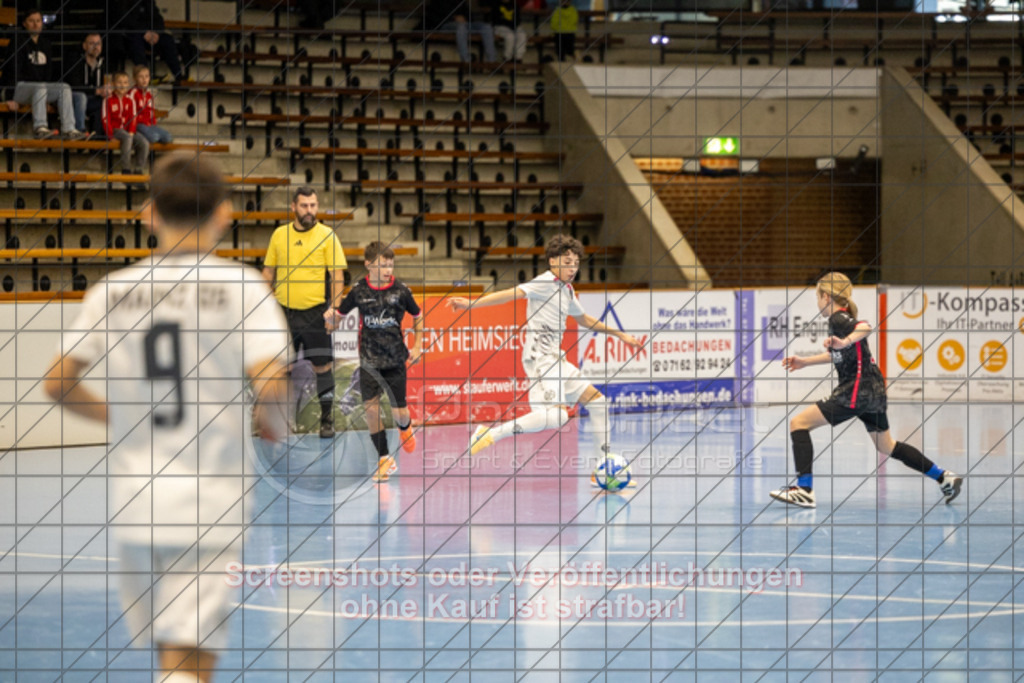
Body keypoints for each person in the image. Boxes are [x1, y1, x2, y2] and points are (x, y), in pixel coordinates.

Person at [43, 152, 291, 682]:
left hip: (137, 504)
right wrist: (273, 421)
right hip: (209, 501)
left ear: (148, 213)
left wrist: (120, 417)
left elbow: (58, 382)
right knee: (190, 664)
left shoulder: (111, 292)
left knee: (173, 655)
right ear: (223, 213)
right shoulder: (243, 288)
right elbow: (271, 381)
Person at [449, 235, 643, 474]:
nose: (572, 268)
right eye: (567, 262)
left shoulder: (567, 290)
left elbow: (584, 319)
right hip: (541, 359)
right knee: (556, 417)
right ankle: (489, 434)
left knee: (597, 402)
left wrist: (619, 334)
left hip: (557, 359)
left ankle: (602, 467)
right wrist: (472, 304)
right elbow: (510, 293)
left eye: (576, 263)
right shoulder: (545, 282)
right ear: (553, 261)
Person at [770, 272, 964, 509]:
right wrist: (805, 362)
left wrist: (846, 340)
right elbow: (839, 354)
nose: (818, 303)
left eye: (818, 297)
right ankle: (944, 477)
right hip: (873, 390)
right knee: (886, 445)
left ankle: (804, 490)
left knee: (798, 423)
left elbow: (865, 326)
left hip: (856, 389)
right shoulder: (841, 321)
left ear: (826, 296)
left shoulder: (839, 319)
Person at [325, 241, 422, 483]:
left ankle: (405, 428)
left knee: (400, 413)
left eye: (390, 265)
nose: (388, 269)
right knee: (371, 409)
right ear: (368, 265)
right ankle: (384, 459)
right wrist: (330, 317)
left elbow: (418, 315)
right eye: (382, 265)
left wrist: (418, 345)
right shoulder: (358, 291)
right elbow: (336, 321)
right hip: (369, 360)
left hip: (395, 360)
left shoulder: (401, 291)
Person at [263, 187, 347, 439]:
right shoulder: (279, 235)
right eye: (304, 206)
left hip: (315, 314)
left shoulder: (327, 235)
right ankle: (280, 421)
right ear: (293, 207)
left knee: (323, 367)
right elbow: (269, 273)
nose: (309, 210)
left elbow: (337, 276)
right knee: (282, 370)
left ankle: (327, 419)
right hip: (285, 313)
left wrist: (334, 309)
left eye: (313, 205)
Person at [0, 9, 86, 139]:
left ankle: (69, 129)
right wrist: (10, 97)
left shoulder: (45, 44)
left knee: (64, 88)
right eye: (31, 21)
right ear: (24, 24)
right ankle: (40, 128)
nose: (35, 24)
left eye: (38, 21)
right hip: (17, 88)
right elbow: (11, 70)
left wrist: (46, 99)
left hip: (38, 90)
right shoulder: (17, 41)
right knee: (40, 87)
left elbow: (48, 74)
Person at [113, 0, 185, 84]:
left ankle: (178, 76)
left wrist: (156, 33)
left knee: (167, 39)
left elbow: (159, 20)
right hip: (131, 36)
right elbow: (126, 21)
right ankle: (145, 77)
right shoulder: (125, 2)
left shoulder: (148, 2)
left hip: (149, 35)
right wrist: (144, 32)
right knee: (136, 40)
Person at [424, 0, 498, 64]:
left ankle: (492, 61)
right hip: (447, 25)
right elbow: (434, 16)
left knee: (486, 27)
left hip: (465, 24)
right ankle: (466, 60)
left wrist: (465, 19)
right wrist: (454, 18)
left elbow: (469, 15)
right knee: (461, 27)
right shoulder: (437, 1)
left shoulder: (461, 2)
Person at [103, 71, 150, 173]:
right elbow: (105, 119)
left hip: (128, 130)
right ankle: (126, 169)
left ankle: (139, 170)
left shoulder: (130, 100)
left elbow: (133, 118)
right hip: (115, 130)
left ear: (128, 84)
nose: (122, 85)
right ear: (113, 84)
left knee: (144, 143)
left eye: (125, 83)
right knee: (127, 138)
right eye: (119, 82)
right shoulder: (108, 100)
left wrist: (132, 131)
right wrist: (110, 135)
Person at [66, 32, 110, 138]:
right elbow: (75, 86)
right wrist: (96, 91)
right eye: (92, 43)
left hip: (93, 100)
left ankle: (98, 138)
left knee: (105, 102)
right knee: (82, 97)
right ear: (84, 46)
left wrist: (107, 89)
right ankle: (79, 131)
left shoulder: (102, 63)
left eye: (98, 44)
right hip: (73, 99)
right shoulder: (75, 61)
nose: (96, 47)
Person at [130, 65, 173, 143]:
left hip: (149, 125)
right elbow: (130, 114)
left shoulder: (149, 95)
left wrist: (154, 125)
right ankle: (141, 137)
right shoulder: (133, 93)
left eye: (146, 76)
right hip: (138, 125)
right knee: (154, 137)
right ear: (134, 79)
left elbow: (152, 112)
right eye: (141, 77)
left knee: (168, 137)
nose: (144, 79)